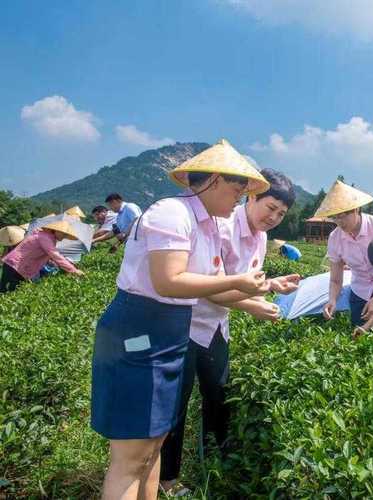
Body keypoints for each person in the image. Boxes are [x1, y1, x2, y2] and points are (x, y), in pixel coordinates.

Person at [90, 139, 272, 500]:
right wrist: (238, 281)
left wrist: (259, 290)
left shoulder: (206, 225)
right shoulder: (171, 214)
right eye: (238, 188)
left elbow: (207, 289)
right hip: (139, 334)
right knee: (130, 455)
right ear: (215, 180)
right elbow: (168, 281)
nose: (240, 197)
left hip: (170, 333)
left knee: (154, 442)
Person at [158, 169, 301, 495]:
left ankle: (216, 463)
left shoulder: (261, 239)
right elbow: (211, 286)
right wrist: (253, 305)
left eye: (281, 213)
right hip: (187, 325)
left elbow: (246, 284)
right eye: (271, 207)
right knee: (175, 406)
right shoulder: (220, 225)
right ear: (251, 196)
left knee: (219, 396)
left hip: (217, 326)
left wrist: (270, 288)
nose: (274, 217)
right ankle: (168, 479)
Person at [318, 180, 373, 330]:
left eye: (343, 216)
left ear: (356, 209)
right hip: (360, 291)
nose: (339, 222)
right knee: (359, 335)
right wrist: (332, 300)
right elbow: (336, 279)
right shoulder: (335, 238)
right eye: (334, 217)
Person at [0, 221, 84, 293]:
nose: (64, 236)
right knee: (5, 290)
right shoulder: (45, 237)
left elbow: (50, 255)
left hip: (19, 266)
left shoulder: (48, 237)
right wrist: (73, 270)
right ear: (56, 231)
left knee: (13, 291)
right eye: (64, 234)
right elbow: (55, 255)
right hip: (14, 265)